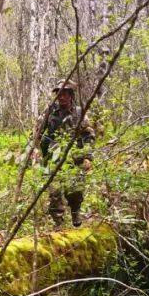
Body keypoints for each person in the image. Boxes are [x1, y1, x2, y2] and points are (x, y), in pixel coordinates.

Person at [40, 81, 95, 227]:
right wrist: (34, 149)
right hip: (54, 157)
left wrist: (88, 157)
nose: (61, 96)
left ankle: (76, 214)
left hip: (74, 157)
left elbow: (88, 135)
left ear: (71, 95)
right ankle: (58, 224)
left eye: (64, 93)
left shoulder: (79, 112)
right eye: (59, 93)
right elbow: (38, 131)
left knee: (75, 190)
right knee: (54, 192)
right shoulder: (50, 111)